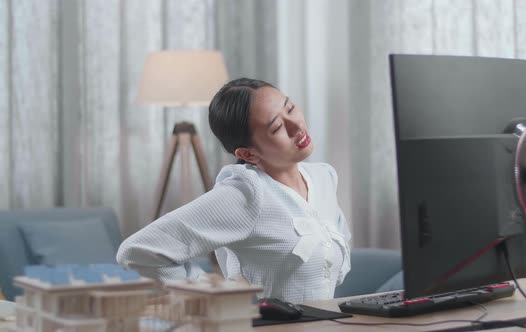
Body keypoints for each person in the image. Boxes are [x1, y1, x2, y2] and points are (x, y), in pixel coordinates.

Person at [116, 78, 351, 303]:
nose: (296, 126)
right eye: (277, 126)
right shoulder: (247, 194)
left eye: (290, 108)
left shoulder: (324, 178)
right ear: (248, 154)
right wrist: (214, 298)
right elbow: (138, 251)